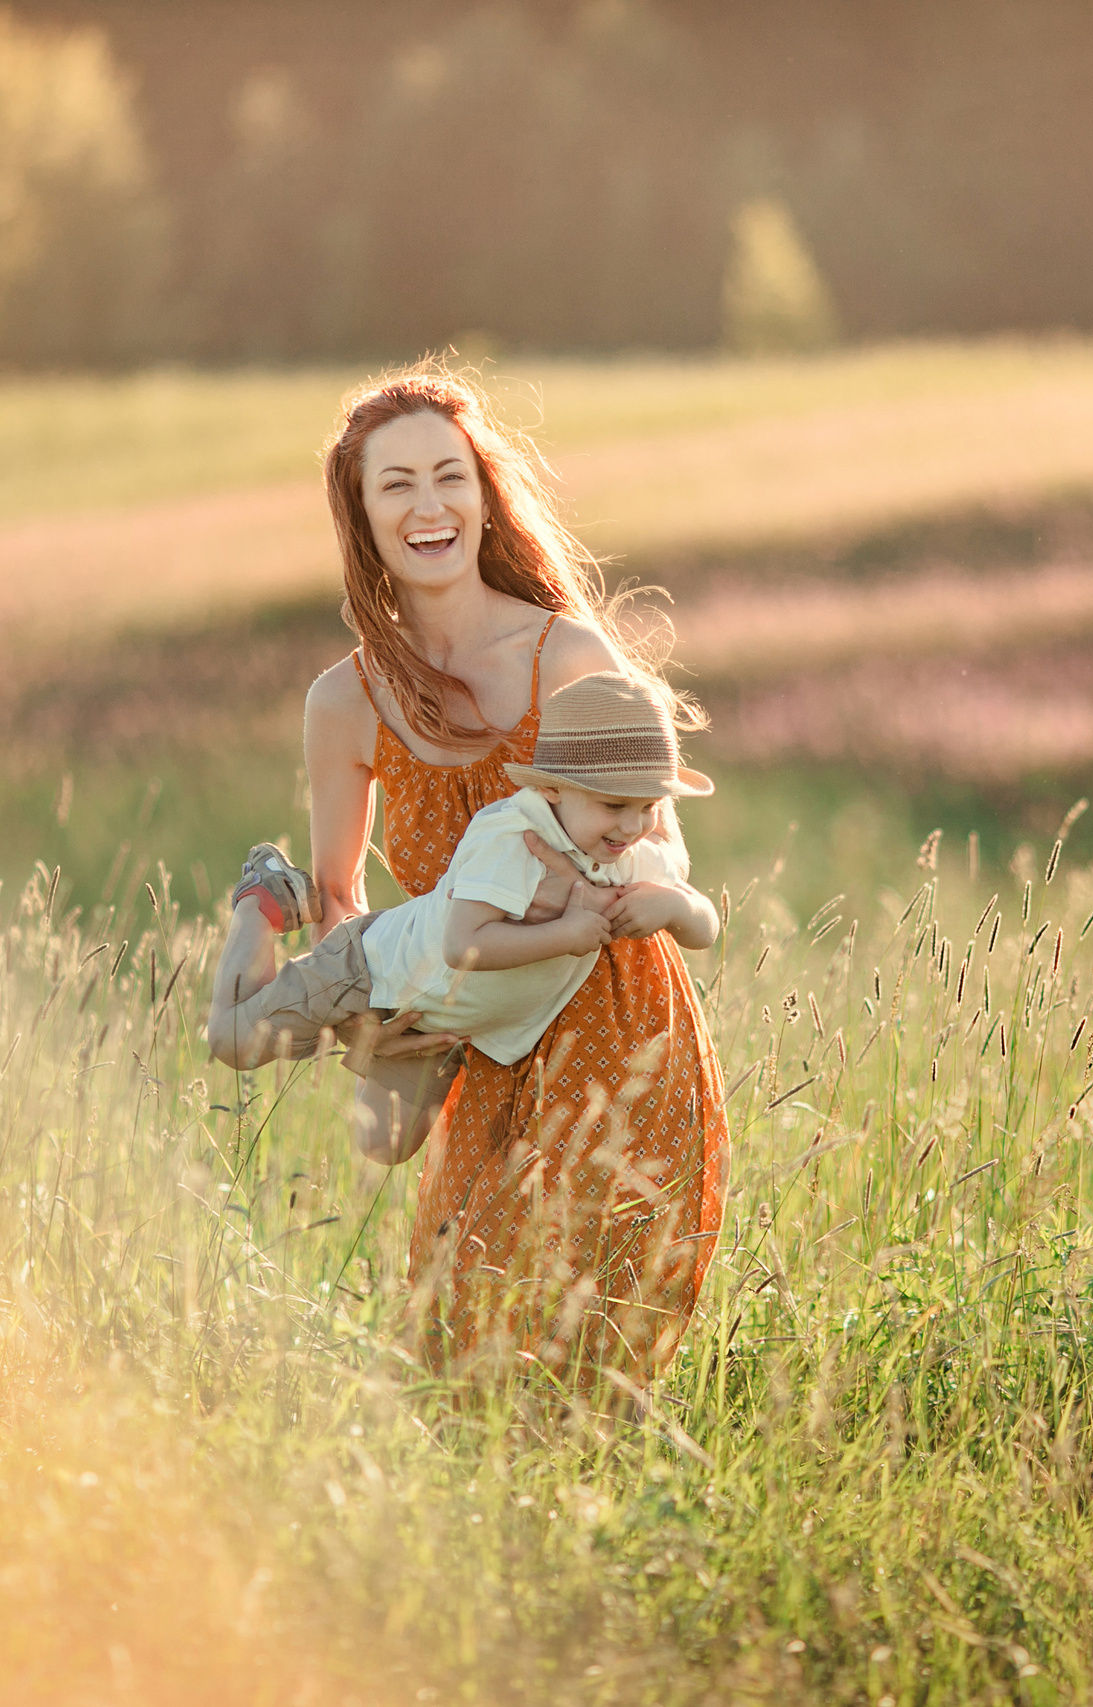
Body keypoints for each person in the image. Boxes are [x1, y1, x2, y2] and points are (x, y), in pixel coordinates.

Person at [210, 362, 729, 1388]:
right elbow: (343, 898)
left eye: (449, 476)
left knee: (606, 1329)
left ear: (484, 494)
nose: (428, 505)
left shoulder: (569, 656)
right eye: (394, 483)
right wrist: (383, 1021)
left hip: (616, 1020)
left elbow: (661, 842)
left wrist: (615, 906)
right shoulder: (344, 702)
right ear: (359, 514)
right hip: (473, 1035)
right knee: (467, 1334)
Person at [207, 670, 719, 1167]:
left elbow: (705, 924)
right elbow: (461, 944)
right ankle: (261, 900)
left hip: (447, 1017)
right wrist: (565, 934)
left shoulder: (631, 850)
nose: (634, 825)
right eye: (615, 805)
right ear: (555, 789)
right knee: (234, 1041)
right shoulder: (509, 837)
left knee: (381, 1143)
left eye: (650, 805)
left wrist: (676, 906)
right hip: (370, 967)